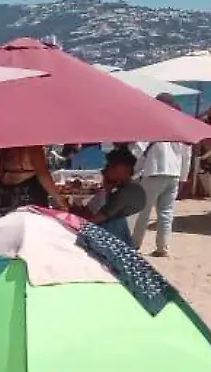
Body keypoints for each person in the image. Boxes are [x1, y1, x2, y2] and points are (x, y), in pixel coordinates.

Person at [131, 94, 192, 256]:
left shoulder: (152, 124)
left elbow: (139, 149)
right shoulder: (181, 127)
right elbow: (187, 155)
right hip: (174, 173)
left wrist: (133, 171)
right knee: (166, 212)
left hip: (154, 171)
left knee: (143, 211)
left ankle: (135, 244)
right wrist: (183, 178)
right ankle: (163, 247)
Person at [78, 147, 147, 245]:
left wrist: (76, 225)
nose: (107, 170)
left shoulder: (126, 193)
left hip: (114, 241)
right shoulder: (129, 187)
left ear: (125, 169)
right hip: (116, 235)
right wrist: (108, 189)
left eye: (111, 167)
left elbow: (98, 218)